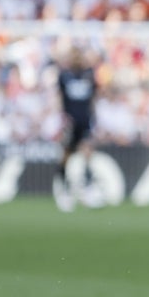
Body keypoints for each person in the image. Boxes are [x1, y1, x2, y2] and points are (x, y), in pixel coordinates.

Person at [53, 45, 99, 212]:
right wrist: (62, 119)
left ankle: (88, 188)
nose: (77, 59)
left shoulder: (89, 75)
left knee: (87, 152)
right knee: (66, 154)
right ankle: (63, 188)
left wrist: (94, 120)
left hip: (85, 120)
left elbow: (93, 98)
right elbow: (59, 99)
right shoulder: (64, 76)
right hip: (70, 122)